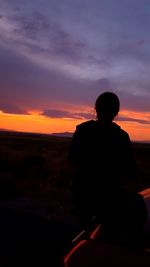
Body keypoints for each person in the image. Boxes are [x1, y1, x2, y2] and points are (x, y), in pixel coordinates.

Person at [69, 92, 147, 232]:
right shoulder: (122, 137)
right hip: (109, 199)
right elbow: (130, 171)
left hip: (82, 194)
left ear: (96, 109)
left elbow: (72, 160)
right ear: (116, 112)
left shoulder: (82, 130)